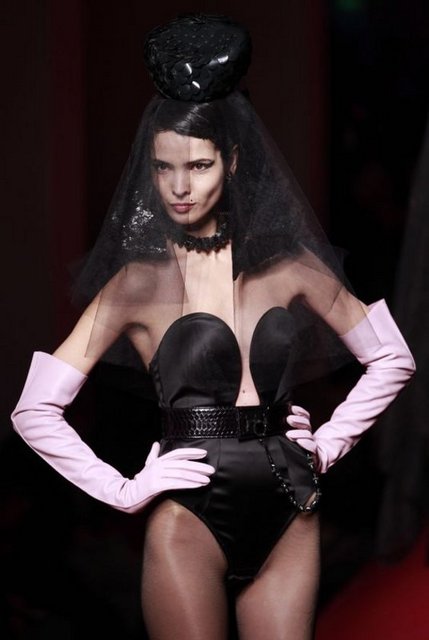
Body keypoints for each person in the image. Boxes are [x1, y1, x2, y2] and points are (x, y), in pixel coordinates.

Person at [10, 13, 415, 640]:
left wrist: (329, 442)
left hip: (289, 508)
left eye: (197, 166)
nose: (178, 187)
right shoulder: (137, 285)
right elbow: (34, 408)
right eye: (162, 167)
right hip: (188, 520)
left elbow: (392, 357)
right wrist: (125, 490)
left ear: (231, 161)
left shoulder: (291, 267)